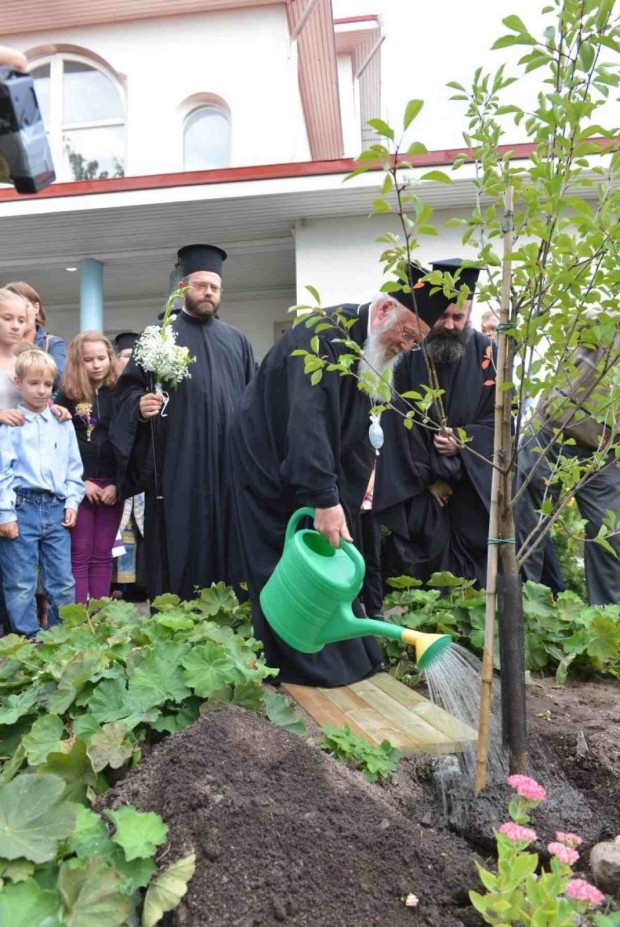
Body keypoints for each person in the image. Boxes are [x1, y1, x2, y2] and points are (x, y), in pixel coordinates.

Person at [229, 291, 430, 687]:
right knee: (287, 561)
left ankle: (345, 658)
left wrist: (353, 488)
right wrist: (324, 496)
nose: (406, 347)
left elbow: (355, 425)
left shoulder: (368, 344)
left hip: (314, 465)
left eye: (415, 342)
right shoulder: (322, 333)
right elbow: (309, 421)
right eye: (406, 334)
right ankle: (297, 664)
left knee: (330, 558)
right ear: (384, 311)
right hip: (270, 464)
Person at [111, 244, 256, 600]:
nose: (208, 292)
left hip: (226, 466)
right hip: (177, 464)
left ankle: (229, 613)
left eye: (214, 287)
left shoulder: (237, 341)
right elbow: (127, 393)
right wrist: (139, 405)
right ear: (182, 288)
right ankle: (178, 614)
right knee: (179, 540)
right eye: (201, 285)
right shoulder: (158, 335)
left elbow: (253, 400)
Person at [373, 259, 495, 588]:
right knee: (425, 574)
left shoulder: (489, 355)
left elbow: (499, 421)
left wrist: (463, 442)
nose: (450, 325)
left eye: (459, 317)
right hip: (421, 489)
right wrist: (429, 477)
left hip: (471, 487)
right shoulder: (409, 351)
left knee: (475, 580)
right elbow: (395, 418)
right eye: (443, 316)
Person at [516, 312, 620, 605]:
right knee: (527, 526)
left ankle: (608, 619)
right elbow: (569, 329)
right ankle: (520, 608)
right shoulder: (604, 322)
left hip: (605, 452)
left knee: (611, 535)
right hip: (552, 431)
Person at [0, 349, 84, 639]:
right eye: (33, 383)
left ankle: (60, 637)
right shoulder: (11, 424)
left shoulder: (62, 421)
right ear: (18, 383)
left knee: (62, 580)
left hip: (56, 508)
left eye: (47, 384)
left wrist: (72, 502)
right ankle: (28, 639)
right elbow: (3, 471)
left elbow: (74, 467)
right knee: (20, 581)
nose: (41, 390)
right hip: (21, 506)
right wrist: (5, 514)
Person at [55, 332, 123, 603]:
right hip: (79, 486)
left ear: (110, 358)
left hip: (112, 487)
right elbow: (57, 446)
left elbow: (130, 442)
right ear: (76, 362)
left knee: (103, 554)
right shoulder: (66, 397)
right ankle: (80, 618)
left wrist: (118, 483)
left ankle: (99, 617)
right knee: (80, 554)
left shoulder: (121, 393)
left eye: (101, 358)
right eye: (88, 360)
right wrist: (81, 482)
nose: (96, 365)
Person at [5, 282, 67, 389]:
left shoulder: (53, 343)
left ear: (36, 308)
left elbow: (57, 380)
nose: (19, 312)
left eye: (24, 306)